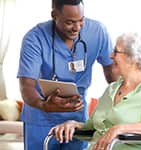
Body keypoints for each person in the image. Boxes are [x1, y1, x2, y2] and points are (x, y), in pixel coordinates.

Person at [17, 0, 116, 149]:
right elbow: (26, 85)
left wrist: (123, 101)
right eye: (69, 22)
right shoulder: (34, 38)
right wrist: (43, 105)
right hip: (40, 118)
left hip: (76, 118)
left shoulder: (97, 32)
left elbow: (112, 72)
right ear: (54, 15)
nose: (76, 28)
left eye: (81, 20)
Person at [49, 33, 141, 150]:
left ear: (133, 58)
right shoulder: (112, 88)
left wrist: (120, 129)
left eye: (116, 51)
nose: (111, 56)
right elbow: (92, 127)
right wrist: (73, 124)